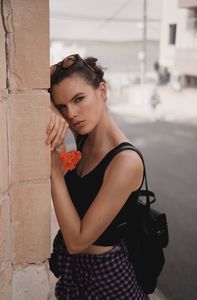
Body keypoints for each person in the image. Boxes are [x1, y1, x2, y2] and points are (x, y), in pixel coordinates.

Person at [47, 54, 149, 299]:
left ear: (102, 91)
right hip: (75, 272)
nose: (70, 114)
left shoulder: (125, 162)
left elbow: (77, 242)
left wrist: (53, 170)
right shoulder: (84, 136)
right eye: (62, 106)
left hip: (109, 277)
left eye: (79, 99)